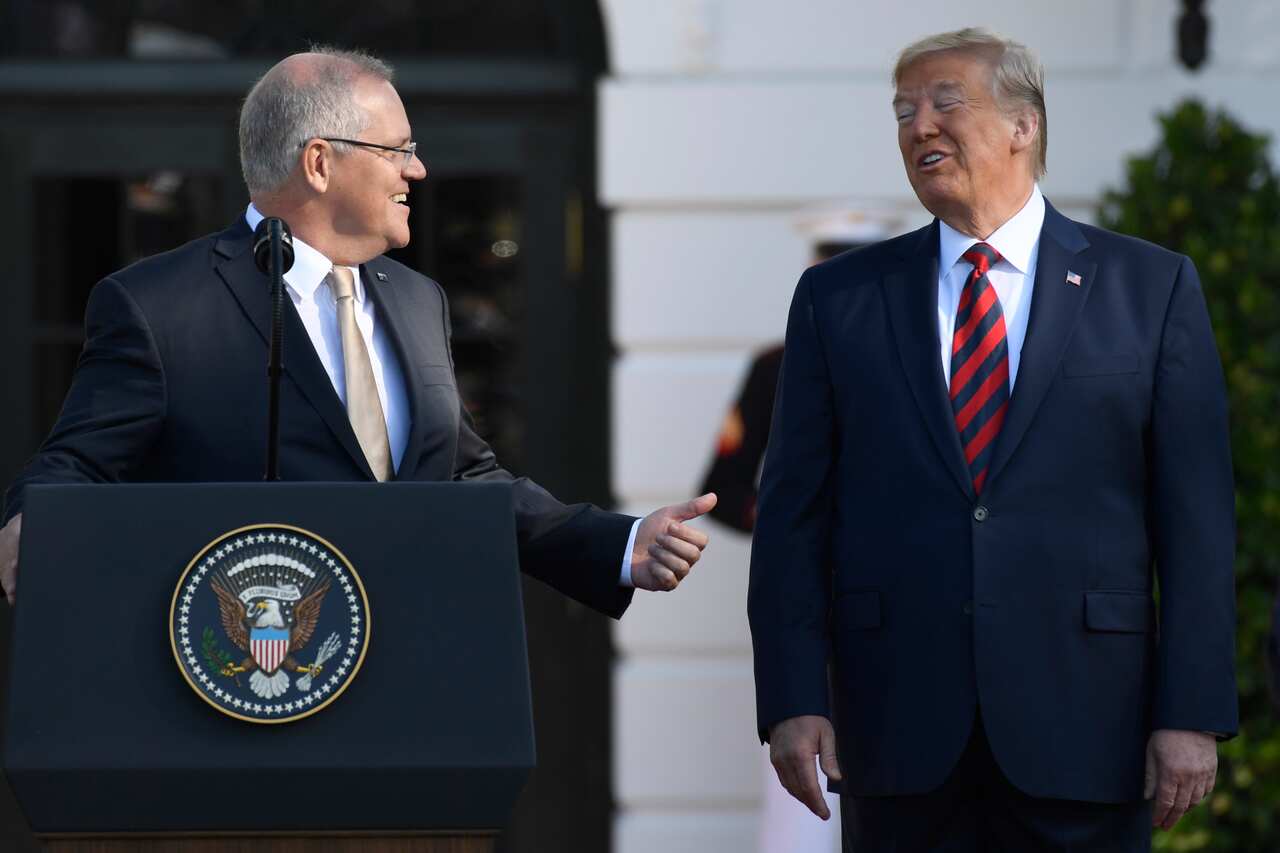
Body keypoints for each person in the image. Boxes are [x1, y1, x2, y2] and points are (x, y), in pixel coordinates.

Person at [0, 47, 716, 617]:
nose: (418, 169)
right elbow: (76, 464)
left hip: (406, 676)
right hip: (243, 688)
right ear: (320, 162)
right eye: (398, 149)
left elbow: (462, 477)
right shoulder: (159, 305)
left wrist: (617, 544)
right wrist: (33, 520)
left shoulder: (417, 300)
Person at [748, 27, 1236, 853]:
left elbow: (1196, 520)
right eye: (903, 111)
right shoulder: (840, 299)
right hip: (899, 732)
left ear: (1023, 124)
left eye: (946, 102)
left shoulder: (1148, 288)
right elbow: (793, 518)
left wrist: (1191, 708)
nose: (920, 126)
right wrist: (793, 696)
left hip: (1088, 730)